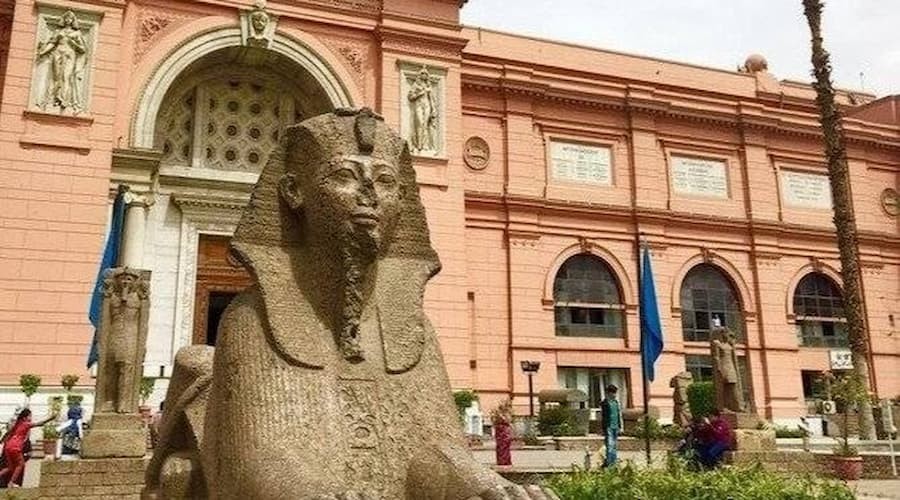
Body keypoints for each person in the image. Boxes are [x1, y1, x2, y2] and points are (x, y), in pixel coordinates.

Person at [0, 408, 57, 488]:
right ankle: (11, 483)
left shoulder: (18, 424)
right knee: (21, 464)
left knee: (10, 467)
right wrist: (51, 418)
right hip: (15, 447)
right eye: (30, 416)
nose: (31, 417)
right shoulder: (26, 423)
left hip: (8, 446)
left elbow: (8, 433)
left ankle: (10, 482)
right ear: (24, 417)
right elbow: (40, 423)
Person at [600, 384, 624, 467]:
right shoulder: (605, 403)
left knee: (615, 445)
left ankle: (613, 462)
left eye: (615, 393)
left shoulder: (616, 402)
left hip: (616, 426)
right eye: (612, 393)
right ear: (608, 393)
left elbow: (619, 415)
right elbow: (603, 416)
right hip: (608, 426)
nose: (614, 394)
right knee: (610, 445)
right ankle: (609, 463)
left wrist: (621, 426)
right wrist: (603, 428)